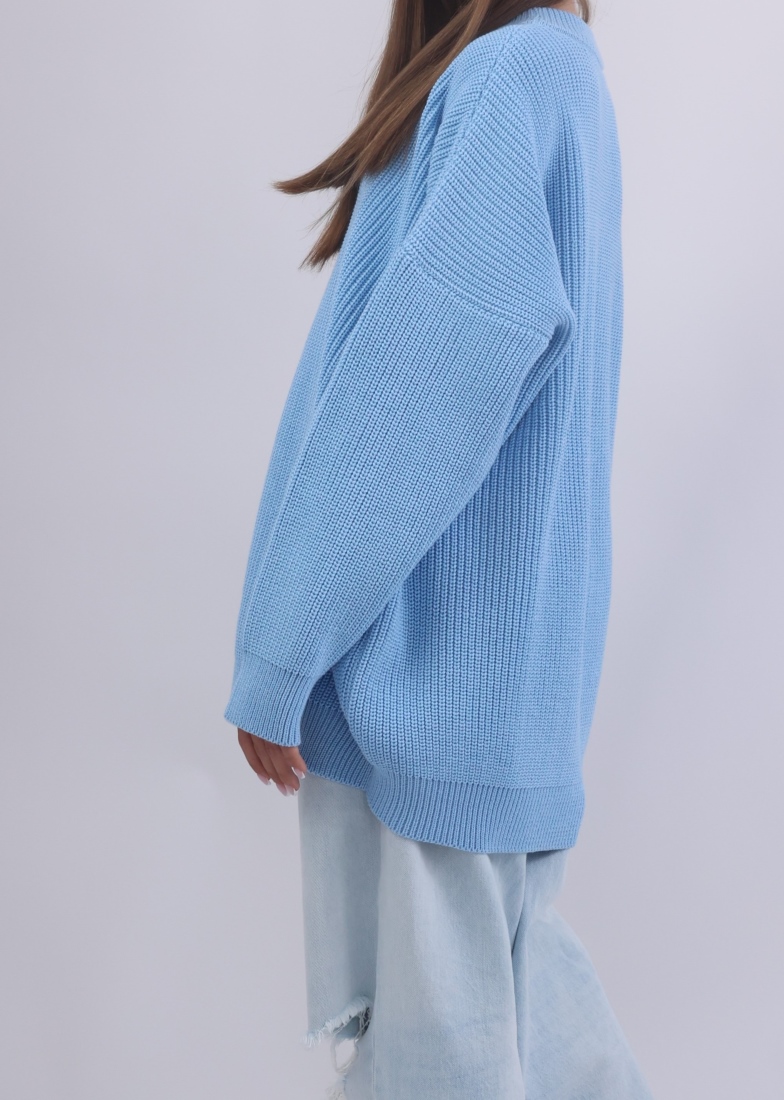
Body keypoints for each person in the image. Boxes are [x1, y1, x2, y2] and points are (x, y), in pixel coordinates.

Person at [225, 1, 651, 1096]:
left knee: (449, 1062)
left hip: (433, 689)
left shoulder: (514, 77)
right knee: (523, 1033)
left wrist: (282, 645)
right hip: (485, 698)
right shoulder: (546, 75)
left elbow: (418, 402)